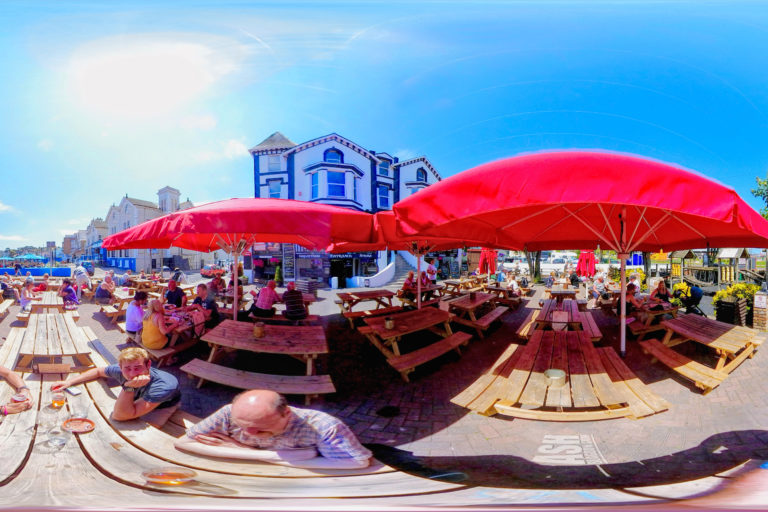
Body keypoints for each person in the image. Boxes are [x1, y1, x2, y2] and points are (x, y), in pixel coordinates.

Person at [174, 390, 372, 469]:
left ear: (287, 413)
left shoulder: (323, 427)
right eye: (241, 425)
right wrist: (252, 453)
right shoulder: (228, 413)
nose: (248, 433)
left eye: (260, 429)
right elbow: (183, 442)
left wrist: (239, 449)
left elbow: (357, 462)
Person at [52, 347, 181, 428]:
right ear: (120, 367)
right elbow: (98, 371)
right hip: (137, 397)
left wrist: (128, 388)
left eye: (138, 368)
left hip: (161, 406)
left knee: (142, 433)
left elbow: (119, 416)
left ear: (148, 365)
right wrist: (70, 382)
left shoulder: (164, 385)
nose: (132, 373)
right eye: (127, 369)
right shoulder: (119, 370)